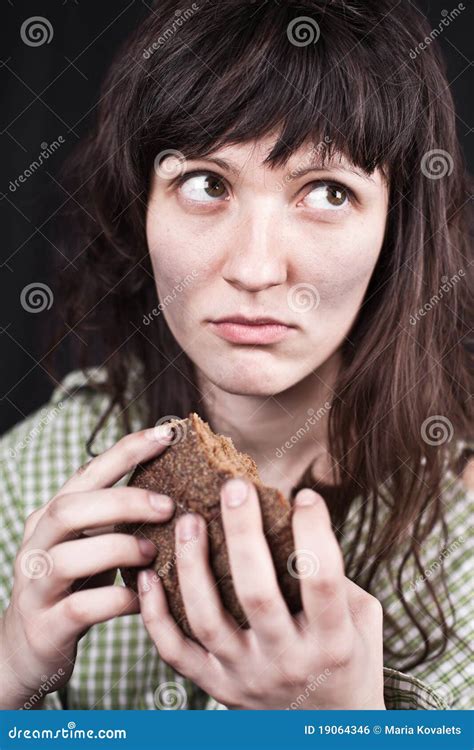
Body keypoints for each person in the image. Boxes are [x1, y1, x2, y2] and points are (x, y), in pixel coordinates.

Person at [1, 0, 472, 710]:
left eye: (326, 191)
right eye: (206, 184)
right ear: (142, 208)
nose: (254, 270)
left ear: (396, 233)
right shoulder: (28, 481)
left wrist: (346, 726)